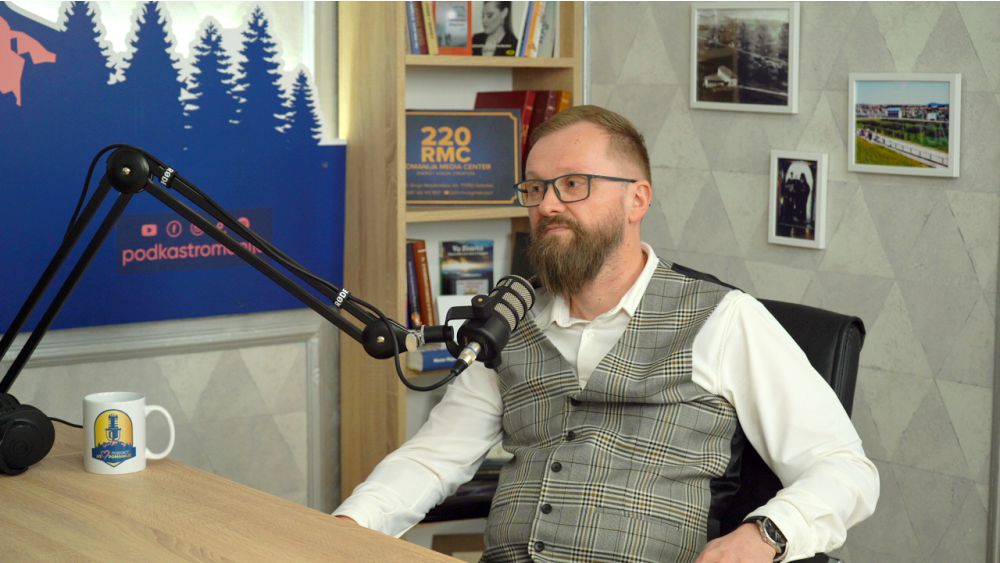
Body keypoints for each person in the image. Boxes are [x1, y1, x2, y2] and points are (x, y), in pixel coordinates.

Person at [334, 105, 879, 562]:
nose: (548, 204)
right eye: (535, 187)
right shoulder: (510, 323)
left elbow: (845, 469)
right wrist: (343, 530)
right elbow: (431, 459)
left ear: (637, 199)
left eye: (573, 184)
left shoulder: (726, 319)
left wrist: (765, 536)